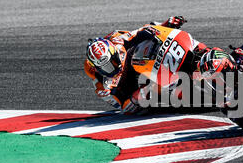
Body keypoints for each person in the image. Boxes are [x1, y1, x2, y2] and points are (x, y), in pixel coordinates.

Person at [84, 16, 218, 114]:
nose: (111, 68)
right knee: (155, 103)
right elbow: (125, 107)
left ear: (114, 53)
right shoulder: (103, 86)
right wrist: (145, 90)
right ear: (97, 68)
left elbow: (144, 30)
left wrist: (166, 25)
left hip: (141, 61)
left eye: (112, 62)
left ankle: (206, 55)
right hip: (135, 89)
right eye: (106, 67)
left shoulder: (118, 41)